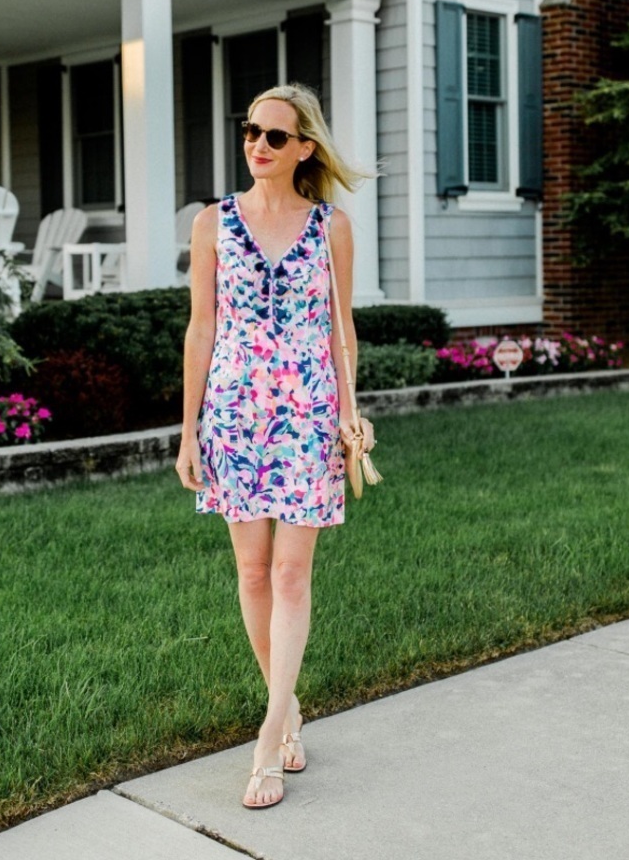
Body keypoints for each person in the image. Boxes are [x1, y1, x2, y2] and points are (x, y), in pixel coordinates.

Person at [175, 82, 372, 809]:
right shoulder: (212, 223)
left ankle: (266, 737)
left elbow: (340, 333)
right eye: (252, 131)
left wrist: (354, 416)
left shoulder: (331, 227)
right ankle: (286, 706)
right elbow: (201, 328)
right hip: (232, 413)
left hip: (307, 418)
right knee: (252, 575)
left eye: (275, 136)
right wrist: (188, 427)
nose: (258, 144)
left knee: (291, 577)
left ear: (305, 149)